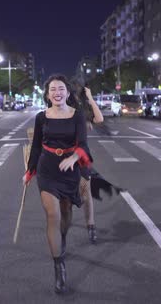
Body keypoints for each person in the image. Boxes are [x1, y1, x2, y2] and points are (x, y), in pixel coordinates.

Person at [22, 74, 92, 294]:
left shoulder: (77, 115)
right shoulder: (41, 117)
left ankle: (62, 237)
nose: (57, 92)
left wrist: (73, 158)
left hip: (70, 170)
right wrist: (29, 171)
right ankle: (59, 266)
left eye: (61, 88)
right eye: (53, 89)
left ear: (67, 93)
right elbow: (35, 147)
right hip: (48, 168)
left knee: (66, 212)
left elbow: (82, 143)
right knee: (53, 214)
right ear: (48, 94)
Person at [73, 82, 104, 244]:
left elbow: (99, 118)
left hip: (82, 157)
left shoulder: (83, 111)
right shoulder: (61, 109)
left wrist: (91, 99)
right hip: (62, 156)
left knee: (86, 193)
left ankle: (91, 226)